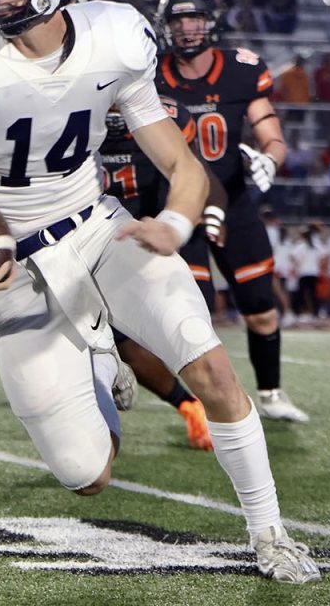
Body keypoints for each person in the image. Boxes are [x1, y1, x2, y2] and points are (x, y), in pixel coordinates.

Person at [0, 0, 319, 584]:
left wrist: (175, 224)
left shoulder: (114, 40)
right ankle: (97, 359)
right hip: (12, 267)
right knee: (85, 476)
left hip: (97, 226)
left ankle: (270, 532)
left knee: (209, 366)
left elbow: (183, 167)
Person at [154, 0, 309, 424]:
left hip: (235, 203)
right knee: (193, 318)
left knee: (261, 310)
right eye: (178, 19)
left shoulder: (241, 69)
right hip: (181, 206)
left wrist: (271, 160)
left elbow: (270, 133)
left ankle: (272, 393)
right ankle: (208, 405)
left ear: (211, 22)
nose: (186, 29)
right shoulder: (150, 73)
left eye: (194, 18)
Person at [100, 97, 229, 451]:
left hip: (156, 233)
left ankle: (216, 410)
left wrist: (211, 214)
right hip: (99, 238)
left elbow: (196, 172)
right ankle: (185, 405)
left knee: (188, 334)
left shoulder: (160, 112)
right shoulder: (66, 107)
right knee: (117, 342)